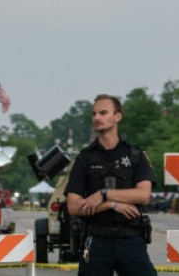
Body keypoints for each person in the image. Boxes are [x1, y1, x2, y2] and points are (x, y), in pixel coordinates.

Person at [66, 94, 157, 276]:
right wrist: (110, 204)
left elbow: (143, 195)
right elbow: (73, 207)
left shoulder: (135, 155)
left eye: (103, 113)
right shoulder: (84, 158)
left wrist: (103, 194)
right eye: (94, 114)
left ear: (118, 116)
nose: (97, 118)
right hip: (96, 239)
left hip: (130, 239)